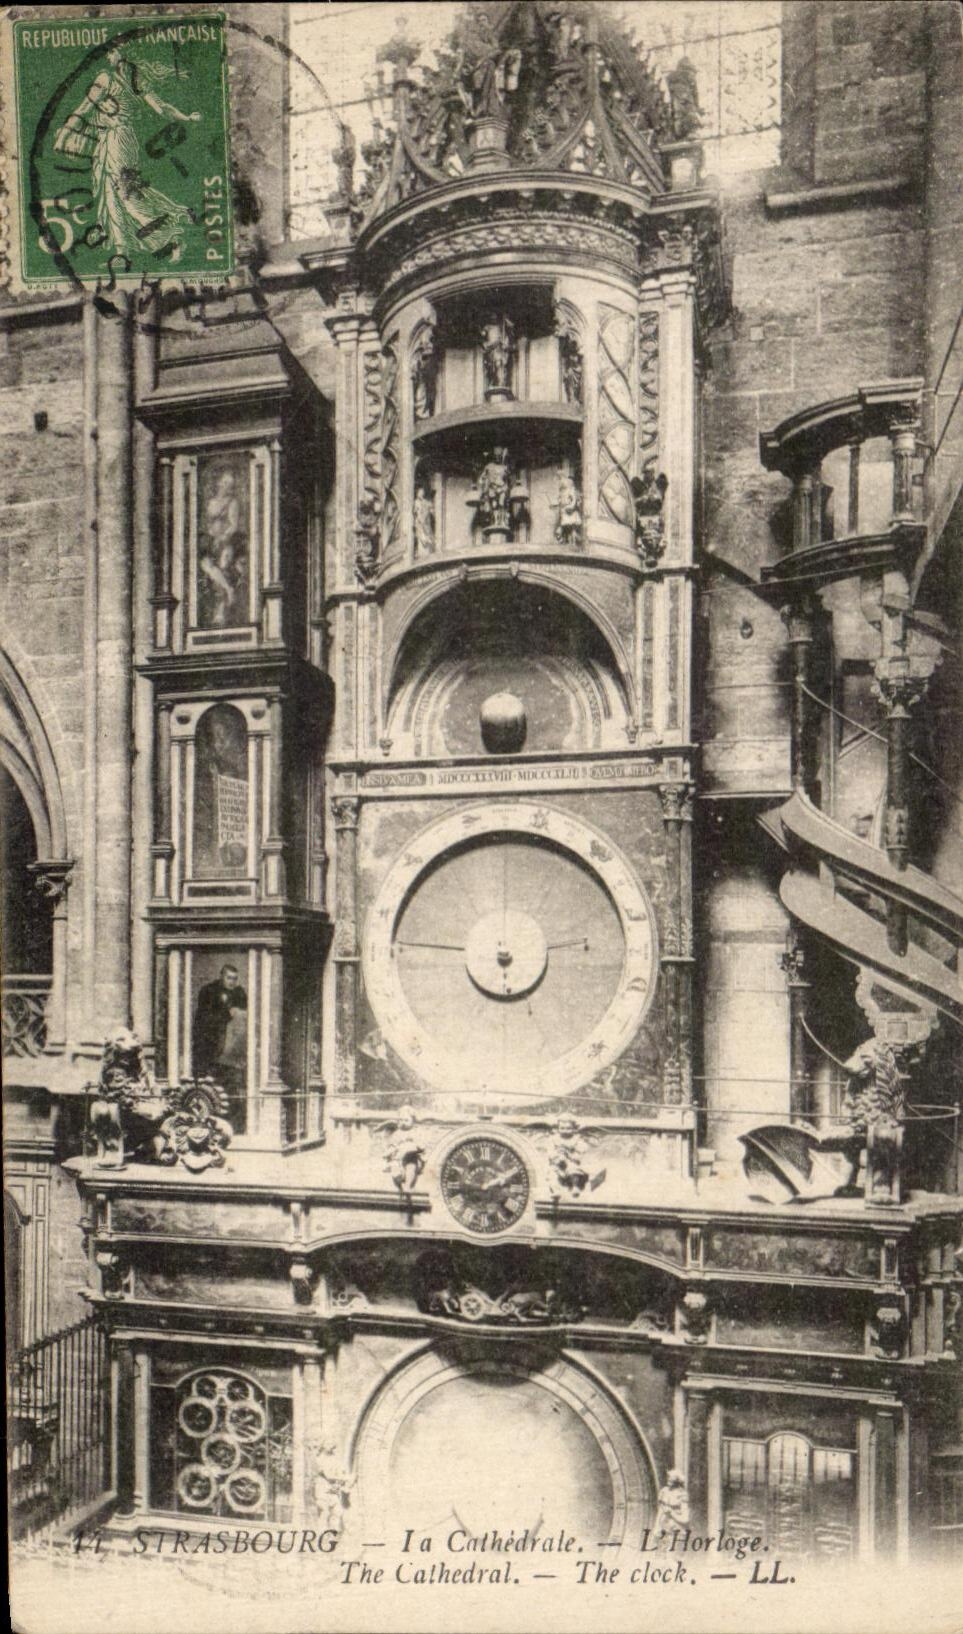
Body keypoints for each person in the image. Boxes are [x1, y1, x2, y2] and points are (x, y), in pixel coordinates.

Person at [54, 46, 200, 264]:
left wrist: (64, 134)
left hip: (114, 139)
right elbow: (162, 108)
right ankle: (123, 251)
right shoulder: (137, 80)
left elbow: (84, 108)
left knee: (124, 194)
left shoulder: (106, 78)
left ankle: (171, 235)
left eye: (112, 51)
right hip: (125, 139)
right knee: (114, 192)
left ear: (122, 52)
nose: (108, 56)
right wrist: (186, 117)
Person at [192, 964, 248, 1125]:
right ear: (221, 976)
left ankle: (232, 1121)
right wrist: (226, 1014)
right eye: (229, 978)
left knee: (230, 1085)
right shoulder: (208, 991)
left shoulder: (239, 993)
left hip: (232, 1048)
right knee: (210, 1083)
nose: (232, 982)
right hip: (209, 1044)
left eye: (234, 978)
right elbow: (204, 1017)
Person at [199, 470, 246, 627]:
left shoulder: (232, 503)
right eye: (225, 483)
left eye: (230, 485)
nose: (227, 487)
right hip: (211, 541)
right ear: (218, 482)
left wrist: (222, 538)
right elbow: (206, 523)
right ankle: (228, 590)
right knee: (206, 566)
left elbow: (233, 525)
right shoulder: (211, 502)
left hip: (225, 543)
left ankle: (220, 613)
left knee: (224, 569)